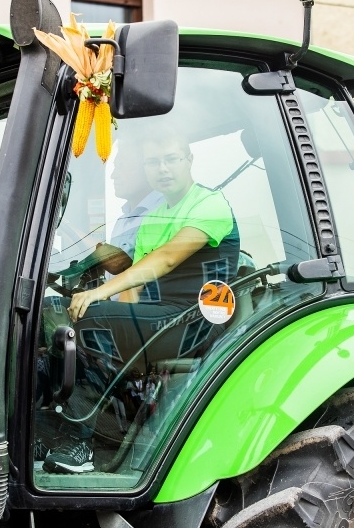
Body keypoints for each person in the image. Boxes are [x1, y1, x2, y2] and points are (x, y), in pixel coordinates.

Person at [41, 130, 240, 474]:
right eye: (153, 162)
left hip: (195, 320)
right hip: (160, 317)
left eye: (171, 159)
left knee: (93, 318)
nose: (163, 169)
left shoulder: (210, 204)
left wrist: (98, 296)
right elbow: (135, 286)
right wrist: (109, 316)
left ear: (188, 161)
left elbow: (166, 259)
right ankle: (52, 431)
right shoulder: (152, 220)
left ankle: (86, 442)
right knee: (57, 320)